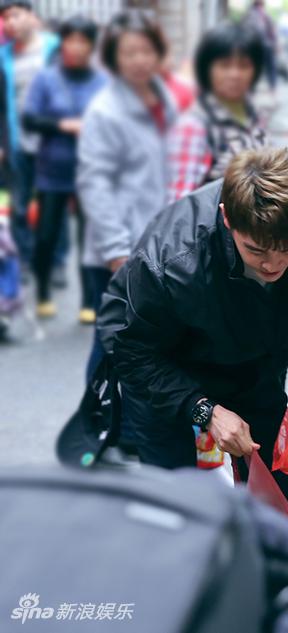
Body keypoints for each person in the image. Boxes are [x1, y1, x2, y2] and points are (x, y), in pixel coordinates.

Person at [98, 147, 288, 529]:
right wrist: (205, 411)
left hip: (253, 367)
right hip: (166, 374)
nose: (274, 265)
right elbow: (133, 352)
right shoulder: (169, 263)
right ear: (227, 218)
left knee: (281, 508)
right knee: (179, 515)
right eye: (256, 250)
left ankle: (287, 585)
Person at [77, 9, 177, 384]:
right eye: (128, 52)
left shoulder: (162, 96)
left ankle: (133, 428)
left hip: (157, 244)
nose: (139, 60)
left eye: (146, 51)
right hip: (118, 248)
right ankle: (97, 423)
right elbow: (94, 183)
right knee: (111, 341)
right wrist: (117, 251)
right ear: (114, 57)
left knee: (148, 343)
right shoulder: (105, 110)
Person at [22, 15, 106, 322]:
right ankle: (43, 290)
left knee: (90, 240)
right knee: (46, 235)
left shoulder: (102, 81)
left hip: (92, 172)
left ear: (91, 46)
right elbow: (29, 119)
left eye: (82, 41)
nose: (75, 47)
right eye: (70, 40)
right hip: (52, 171)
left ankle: (88, 300)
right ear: (62, 44)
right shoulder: (46, 78)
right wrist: (63, 125)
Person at [167, 22, 268, 203]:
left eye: (244, 65)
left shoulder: (255, 114)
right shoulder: (193, 126)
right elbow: (179, 205)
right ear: (207, 69)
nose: (235, 74)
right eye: (224, 65)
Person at [0, 0, 59, 274]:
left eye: (15, 15)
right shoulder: (4, 56)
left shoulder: (54, 48)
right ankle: (25, 258)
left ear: (31, 16)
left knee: (53, 205)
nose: (10, 22)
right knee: (20, 204)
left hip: (53, 142)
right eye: (5, 18)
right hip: (17, 142)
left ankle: (55, 261)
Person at [244, 0, 278, 93]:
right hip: (259, 44)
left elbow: (271, 30)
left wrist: (275, 43)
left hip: (261, 44)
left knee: (264, 66)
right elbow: (270, 31)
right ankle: (254, 88)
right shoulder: (256, 14)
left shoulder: (255, 14)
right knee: (259, 66)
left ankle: (271, 86)